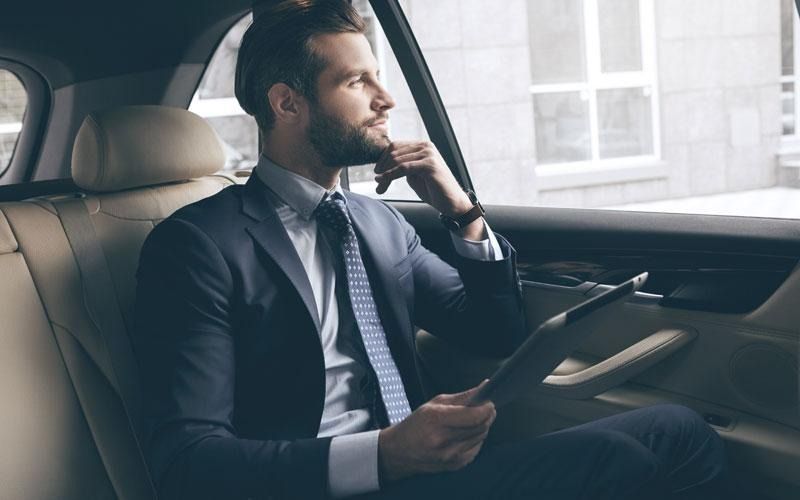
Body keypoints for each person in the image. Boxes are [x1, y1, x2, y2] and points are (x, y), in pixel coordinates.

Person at [133, 1, 737, 499]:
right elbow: (189, 464)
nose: (385, 99)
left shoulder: (377, 223)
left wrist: (460, 211)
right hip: (325, 485)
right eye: (355, 81)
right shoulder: (197, 246)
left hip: (429, 471)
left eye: (377, 76)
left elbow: (493, 333)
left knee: (678, 430)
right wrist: (383, 455)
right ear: (287, 103)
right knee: (613, 457)